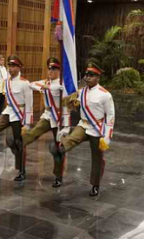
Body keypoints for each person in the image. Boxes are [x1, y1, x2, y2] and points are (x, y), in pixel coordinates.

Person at [7, 58, 70, 187]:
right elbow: (32, 84)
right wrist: (45, 86)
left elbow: (64, 101)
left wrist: (67, 125)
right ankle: (19, 156)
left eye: (54, 69)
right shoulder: (45, 82)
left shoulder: (63, 84)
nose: (51, 71)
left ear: (59, 70)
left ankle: (58, 176)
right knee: (31, 134)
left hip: (59, 119)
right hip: (47, 116)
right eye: (49, 68)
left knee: (59, 147)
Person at [57, 62, 115, 196]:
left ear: (98, 78)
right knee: (71, 138)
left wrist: (107, 136)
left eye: (92, 75)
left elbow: (111, 116)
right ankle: (60, 149)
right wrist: (65, 93)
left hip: (97, 128)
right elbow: (70, 105)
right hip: (83, 125)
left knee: (97, 158)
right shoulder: (81, 92)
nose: (88, 78)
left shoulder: (105, 95)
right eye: (87, 75)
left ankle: (95, 184)